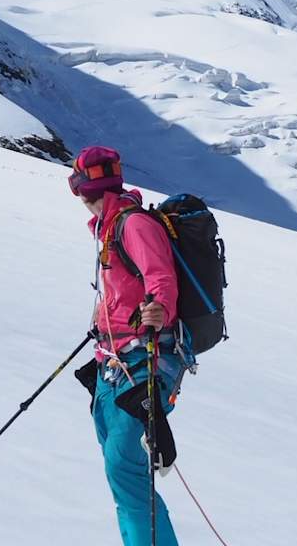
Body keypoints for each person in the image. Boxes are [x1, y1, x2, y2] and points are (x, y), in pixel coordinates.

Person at [69, 145, 184, 546]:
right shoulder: (109, 226)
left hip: (142, 360)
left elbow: (161, 280)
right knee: (121, 473)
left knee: (126, 472)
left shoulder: (132, 224)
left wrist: (160, 309)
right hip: (112, 363)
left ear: (82, 187)